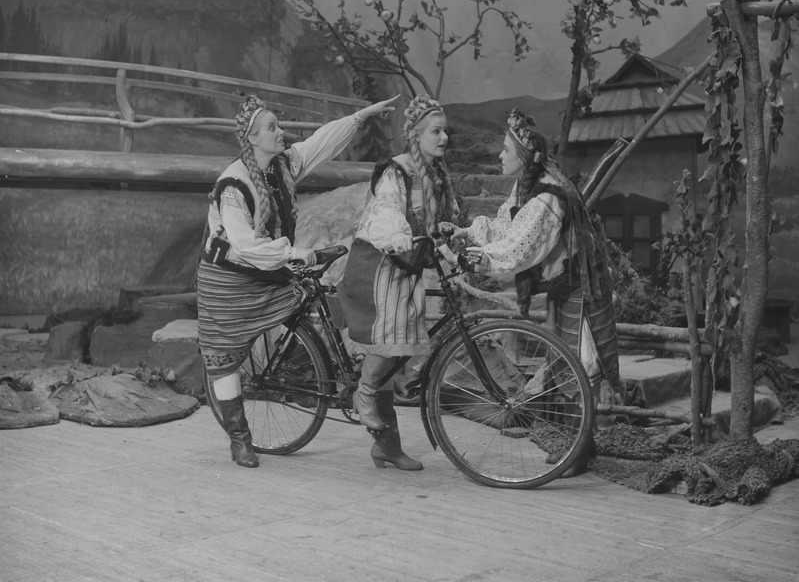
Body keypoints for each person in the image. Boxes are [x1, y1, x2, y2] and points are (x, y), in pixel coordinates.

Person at [197, 92, 399, 467]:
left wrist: (361, 116)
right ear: (253, 139)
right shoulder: (233, 185)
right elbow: (244, 244)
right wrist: (291, 253)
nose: (281, 131)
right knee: (224, 355)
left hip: (267, 268)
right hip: (228, 278)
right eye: (272, 127)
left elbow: (320, 142)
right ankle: (239, 439)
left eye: (278, 124)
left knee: (311, 299)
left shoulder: (282, 165)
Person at [444, 107, 620, 400]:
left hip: (582, 283)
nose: (500, 156)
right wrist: (468, 233)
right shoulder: (527, 185)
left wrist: (465, 258)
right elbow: (508, 225)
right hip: (567, 281)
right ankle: (578, 430)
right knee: (568, 354)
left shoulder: (547, 197)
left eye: (505, 150)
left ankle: (592, 430)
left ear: (524, 157)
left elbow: (516, 250)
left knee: (586, 357)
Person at [337, 94, 458, 471]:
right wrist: (400, 233)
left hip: (406, 266)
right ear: (416, 136)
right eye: (436, 132)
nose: (443, 138)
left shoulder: (436, 176)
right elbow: (388, 209)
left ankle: (386, 446)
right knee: (395, 341)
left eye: (445, 132)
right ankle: (365, 393)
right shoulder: (397, 171)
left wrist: (451, 239)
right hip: (380, 263)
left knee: (402, 347)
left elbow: (439, 222)